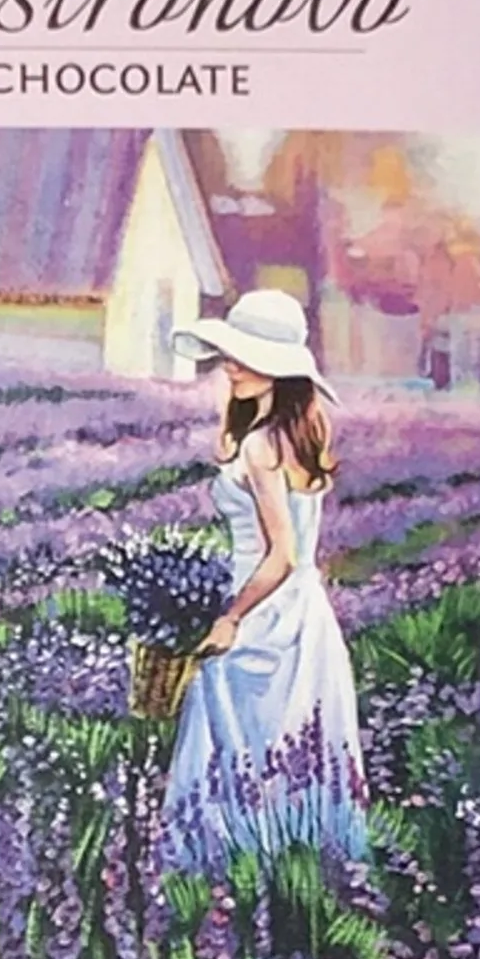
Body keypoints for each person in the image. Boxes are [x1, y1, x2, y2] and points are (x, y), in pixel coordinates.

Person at [161, 290, 368, 871]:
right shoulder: (302, 435)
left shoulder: (259, 444)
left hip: (261, 615)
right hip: (305, 616)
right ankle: (299, 881)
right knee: (295, 749)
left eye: (245, 357)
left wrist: (229, 618)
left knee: (239, 746)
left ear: (278, 367)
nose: (231, 366)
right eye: (230, 354)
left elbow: (281, 555)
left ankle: (227, 883)